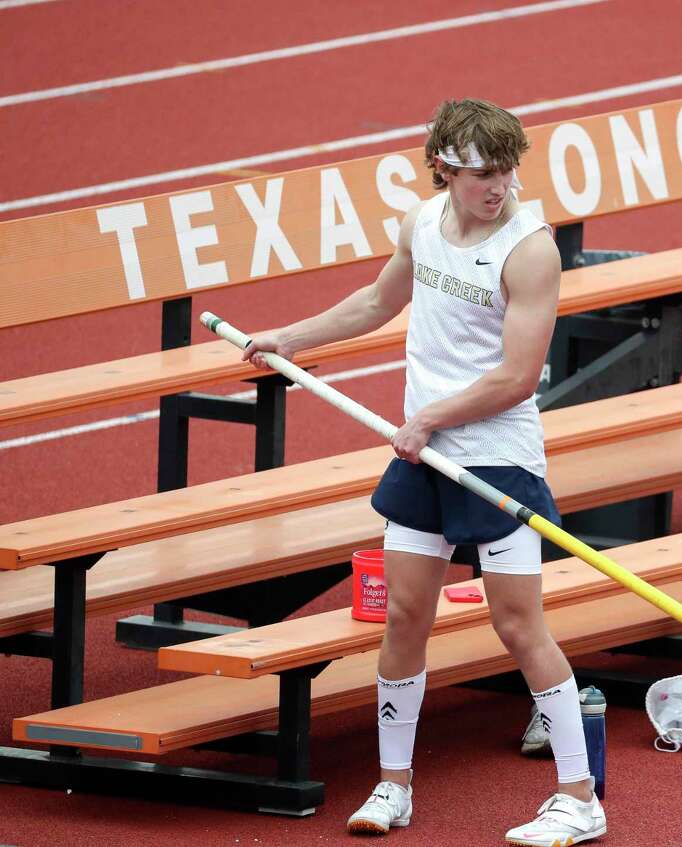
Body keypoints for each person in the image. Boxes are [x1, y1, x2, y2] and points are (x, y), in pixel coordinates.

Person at [243, 99, 605, 846]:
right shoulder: (419, 223)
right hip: (425, 457)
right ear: (442, 164)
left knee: (517, 623)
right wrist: (291, 336)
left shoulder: (530, 249)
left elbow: (515, 375)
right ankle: (394, 784)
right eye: (480, 174)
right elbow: (379, 300)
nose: (496, 187)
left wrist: (431, 416)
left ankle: (579, 795)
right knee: (405, 615)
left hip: (495, 460)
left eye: (506, 171)